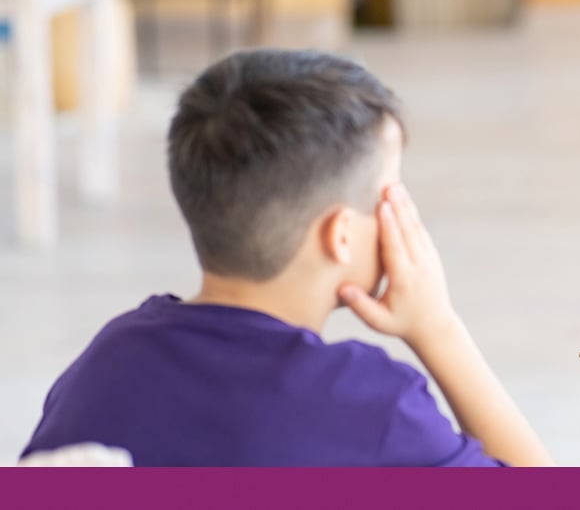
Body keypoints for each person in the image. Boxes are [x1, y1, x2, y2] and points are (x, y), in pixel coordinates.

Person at [21, 49, 553, 467]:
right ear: (340, 235)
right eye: (390, 191)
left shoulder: (106, 362)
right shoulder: (371, 407)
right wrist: (437, 328)